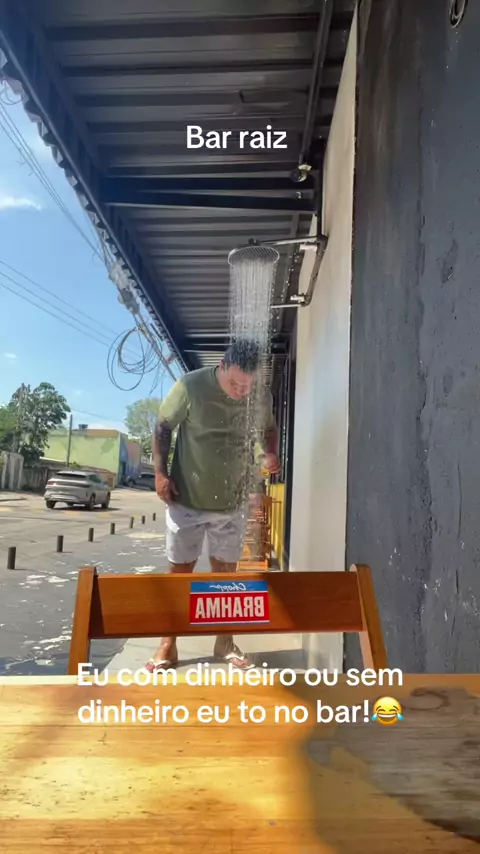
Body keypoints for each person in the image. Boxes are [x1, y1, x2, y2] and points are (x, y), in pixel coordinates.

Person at [146, 339, 280, 672]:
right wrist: (160, 474)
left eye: (246, 386)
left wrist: (270, 452)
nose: (240, 392)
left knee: (226, 577)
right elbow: (163, 427)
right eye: (234, 383)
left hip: (232, 503)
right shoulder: (191, 386)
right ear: (221, 366)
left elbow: (268, 429)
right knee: (179, 575)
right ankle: (168, 644)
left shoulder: (260, 395)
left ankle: (225, 642)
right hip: (186, 499)